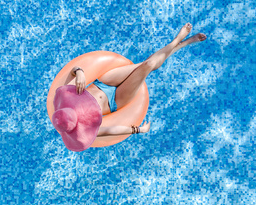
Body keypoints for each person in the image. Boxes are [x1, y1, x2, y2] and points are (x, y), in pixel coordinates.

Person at [67, 23, 206, 137]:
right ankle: (178, 42)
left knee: (146, 64)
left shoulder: (65, 99)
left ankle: (179, 43)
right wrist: (138, 130)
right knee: (149, 65)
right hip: (116, 100)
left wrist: (79, 72)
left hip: (103, 83)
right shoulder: (81, 128)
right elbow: (110, 130)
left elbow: (73, 70)